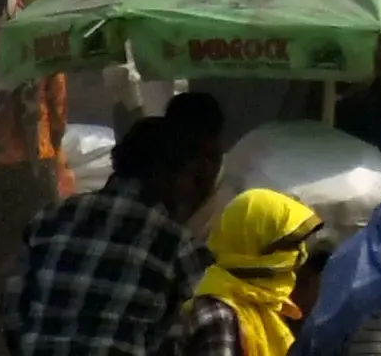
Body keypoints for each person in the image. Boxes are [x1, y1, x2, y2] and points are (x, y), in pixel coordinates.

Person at [11, 93, 227, 356]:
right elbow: (185, 329)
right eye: (188, 177)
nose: (191, 188)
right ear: (166, 176)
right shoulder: (174, 243)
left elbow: (13, 309)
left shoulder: (51, 217)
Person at [175, 193, 325, 356]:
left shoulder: (270, 309)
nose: (300, 255)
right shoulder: (221, 317)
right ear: (252, 245)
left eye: (300, 245)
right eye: (289, 246)